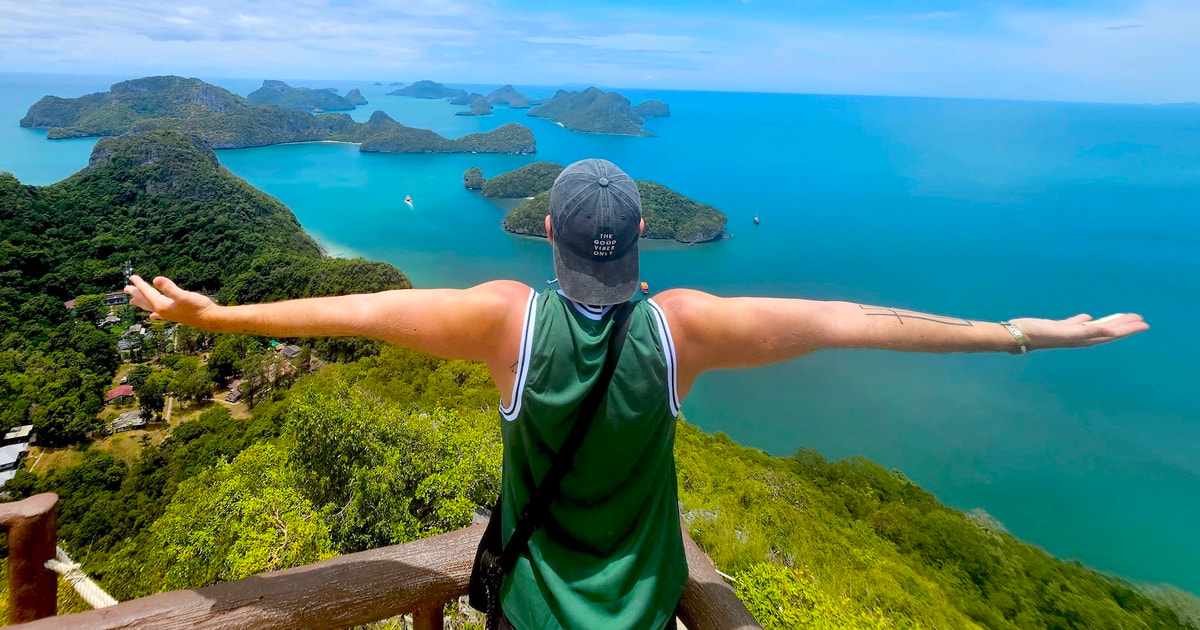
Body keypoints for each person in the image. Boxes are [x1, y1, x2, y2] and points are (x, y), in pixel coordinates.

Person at [125, 158, 1148, 630]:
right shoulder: (684, 331)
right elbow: (857, 319)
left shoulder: (504, 324)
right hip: (650, 612)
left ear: (552, 235)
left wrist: (212, 320)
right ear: (641, 237)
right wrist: (1027, 335)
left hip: (531, 610)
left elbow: (347, 317)